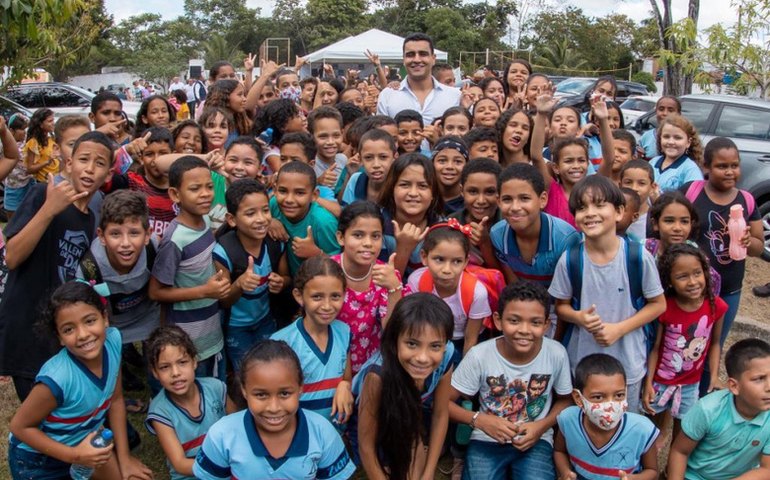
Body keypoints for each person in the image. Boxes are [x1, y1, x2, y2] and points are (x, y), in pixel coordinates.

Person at [0, 131, 115, 401]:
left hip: (59, 328)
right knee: (38, 413)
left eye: (99, 163)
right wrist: (50, 209)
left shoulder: (89, 219)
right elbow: (12, 257)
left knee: (63, 406)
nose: (89, 168)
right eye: (83, 159)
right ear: (68, 164)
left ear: (108, 175)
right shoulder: (42, 194)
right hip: (25, 323)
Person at [8, 281, 152, 480]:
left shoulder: (113, 342)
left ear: (105, 318)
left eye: (90, 321)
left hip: (84, 442)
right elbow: (20, 427)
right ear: (59, 337)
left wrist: (125, 458)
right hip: (39, 461)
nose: (83, 335)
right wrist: (75, 456)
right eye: (68, 329)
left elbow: (116, 400)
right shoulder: (57, 379)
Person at [549, 175, 666, 413]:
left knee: (622, 424)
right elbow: (561, 307)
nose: (590, 213)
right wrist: (578, 317)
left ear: (620, 212)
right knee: (583, 421)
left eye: (600, 205)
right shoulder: (570, 260)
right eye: (582, 208)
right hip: (581, 363)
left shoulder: (637, 257)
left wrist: (619, 329)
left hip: (627, 365)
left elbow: (658, 304)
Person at [448, 281, 573, 480]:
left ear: (546, 324)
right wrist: (479, 420)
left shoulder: (556, 353)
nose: (524, 330)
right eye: (514, 321)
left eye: (535, 322)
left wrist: (541, 426)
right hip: (485, 439)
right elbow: (443, 403)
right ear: (498, 320)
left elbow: (566, 400)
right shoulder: (480, 355)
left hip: (536, 439)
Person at [193, 339, 356, 479]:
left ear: (300, 387)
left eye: (284, 393)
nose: (274, 407)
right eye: (261, 395)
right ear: (244, 390)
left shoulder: (323, 434)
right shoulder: (221, 436)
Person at [682, 137, 763, 393]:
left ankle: (702, 396)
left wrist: (749, 241)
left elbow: (759, 247)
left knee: (712, 345)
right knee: (684, 345)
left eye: (734, 166)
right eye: (722, 166)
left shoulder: (747, 200)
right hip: (690, 289)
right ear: (706, 167)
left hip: (728, 290)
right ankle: (678, 393)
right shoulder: (691, 192)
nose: (730, 172)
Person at [355, 294, 455, 480]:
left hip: (408, 421)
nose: (422, 357)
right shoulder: (377, 376)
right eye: (412, 344)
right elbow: (366, 445)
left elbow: (440, 414)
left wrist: (428, 472)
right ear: (395, 341)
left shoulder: (446, 354)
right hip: (376, 428)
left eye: (434, 346)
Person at [643, 243, 727, 454]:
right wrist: (648, 383)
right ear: (669, 281)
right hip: (660, 382)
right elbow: (654, 348)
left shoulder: (716, 305)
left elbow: (715, 343)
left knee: (683, 434)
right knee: (649, 432)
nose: (692, 282)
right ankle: (649, 469)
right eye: (682, 276)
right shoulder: (665, 308)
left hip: (690, 385)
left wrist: (715, 376)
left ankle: (671, 471)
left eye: (697, 273)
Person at [149, 156, 226, 381]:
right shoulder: (175, 240)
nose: (205, 194)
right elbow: (155, 292)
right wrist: (205, 291)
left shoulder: (204, 221)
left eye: (209, 187)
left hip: (210, 332)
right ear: (175, 194)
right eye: (195, 188)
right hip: (187, 341)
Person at [213, 179, 289, 371]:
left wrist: (281, 282)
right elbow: (223, 301)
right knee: (246, 371)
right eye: (250, 213)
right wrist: (238, 285)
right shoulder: (224, 251)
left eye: (265, 210)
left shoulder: (274, 243)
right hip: (236, 327)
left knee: (272, 364)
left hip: (266, 320)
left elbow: (287, 277)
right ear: (231, 219)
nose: (261, 219)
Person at [667, 338, 770, 480]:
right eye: (759, 379)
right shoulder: (708, 409)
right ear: (734, 386)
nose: (769, 387)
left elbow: (767, 469)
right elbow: (680, 452)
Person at [145, 325, 236, 480]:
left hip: (229, 465)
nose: (175, 373)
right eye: (165, 367)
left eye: (182, 362)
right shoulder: (160, 411)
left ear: (194, 362)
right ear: (155, 372)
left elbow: (237, 427)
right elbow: (180, 463)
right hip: (192, 475)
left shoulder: (216, 388)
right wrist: (221, 469)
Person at [271, 256, 353, 423]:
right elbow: (277, 398)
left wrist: (345, 386)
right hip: (299, 434)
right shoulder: (282, 343)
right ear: (299, 296)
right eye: (317, 297)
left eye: (335, 296)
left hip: (335, 434)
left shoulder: (343, 331)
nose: (327, 306)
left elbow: (346, 377)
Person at [554, 354, 659, 480]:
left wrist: (632, 478)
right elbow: (559, 451)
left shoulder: (642, 429)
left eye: (619, 395)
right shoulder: (568, 419)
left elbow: (652, 471)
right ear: (578, 398)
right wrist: (565, 472)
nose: (610, 406)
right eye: (598, 397)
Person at [487, 163, 579, 288]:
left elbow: (569, 290)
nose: (515, 207)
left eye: (524, 198)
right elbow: (514, 285)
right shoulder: (498, 235)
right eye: (507, 199)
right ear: (498, 201)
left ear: (542, 200)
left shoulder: (565, 238)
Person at [408, 222, 490, 360]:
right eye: (439, 259)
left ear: (466, 262)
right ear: (424, 257)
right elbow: (415, 323)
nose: (447, 270)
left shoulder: (476, 292)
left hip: (462, 342)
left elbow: (471, 340)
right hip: (428, 337)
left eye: (457, 261)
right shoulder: (417, 281)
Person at [378, 153, 444, 278]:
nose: (413, 193)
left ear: (433, 194)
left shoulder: (442, 228)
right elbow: (383, 288)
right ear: (392, 189)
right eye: (404, 185)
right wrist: (404, 248)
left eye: (423, 186)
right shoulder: (376, 225)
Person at [269, 160, 340, 275]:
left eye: (299, 193)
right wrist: (269, 221)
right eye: (283, 191)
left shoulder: (323, 222)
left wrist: (316, 253)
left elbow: (339, 266)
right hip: (285, 281)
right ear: (275, 190)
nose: (289, 200)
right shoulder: (273, 205)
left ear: (314, 195)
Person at [377, 33, 461, 125]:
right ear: (404, 60)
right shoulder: (388, 96)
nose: (417, 60)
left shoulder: (455, 96)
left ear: (433, 59)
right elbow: (382, 136)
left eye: (423, 54)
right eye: (410, 55)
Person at [450, 158, 502, 267]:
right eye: (473, 191)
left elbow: (506, 279)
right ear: (461, 191)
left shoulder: (509, 226)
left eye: (490, 192)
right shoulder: (451, 224)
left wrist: (485, 244)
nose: (481, 201)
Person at [341, 129, 397, 207]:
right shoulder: (356, 180)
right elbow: (347, 214)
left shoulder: (399, 185)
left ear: (394, 157)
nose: (376, 165)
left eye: (383, 157)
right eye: (368, 157)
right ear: (360, 160)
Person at [651, 114, 703, 192]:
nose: (671, 142)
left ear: (688, 142)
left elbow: (695, 199)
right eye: (666, 136)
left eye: (677, 138)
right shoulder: (653, 162)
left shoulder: (690, 170)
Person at [433, 136, 469, 215]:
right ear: (432, 163)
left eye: (458, 161)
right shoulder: (426, 201)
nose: (450, 166)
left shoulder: (470, 204)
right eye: (442, 161)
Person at [3, 113, 31, 218]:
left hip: (28, 183)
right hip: (13, 186)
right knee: (13, 219)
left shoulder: (27, 143)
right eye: (22, 129)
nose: (24, 132)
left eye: (25, 129)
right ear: (11, 130)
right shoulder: (4, 145)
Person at [639, 95, 681, 160]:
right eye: (661, 109)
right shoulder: (646, 137)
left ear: (678, 113)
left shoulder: (683, 138)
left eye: (670, 110)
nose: (665, 113)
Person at [23, 108, 57, 182]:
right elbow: (30, 169)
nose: (53, 123)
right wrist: (47, 162)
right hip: (43, 182)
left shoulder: (51, 138)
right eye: (50, 121)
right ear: (41, 124)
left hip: (56, 180)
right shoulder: (33, 143)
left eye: (53, 120)